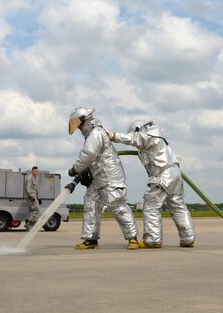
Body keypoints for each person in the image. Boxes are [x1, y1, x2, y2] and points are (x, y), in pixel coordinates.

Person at [109, 120, 195, 248]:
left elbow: (134, 138)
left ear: (139, 130)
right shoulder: (156, 137)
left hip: (161, 175)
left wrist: (113, 136)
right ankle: (188, 238)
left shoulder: (150, 135)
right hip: (174, 174)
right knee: (178, 207)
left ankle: (153, 239)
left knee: (150, 206)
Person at [67, 106, 139, 250]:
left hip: (111, 177)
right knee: (90, 205)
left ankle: (133, 238)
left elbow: (88, 154)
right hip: (98, 178)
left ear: (84, 121)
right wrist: (85, 171)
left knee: (116, 205)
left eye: (78, 124)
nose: (78, 128)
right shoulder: (91, 134)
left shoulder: (96, 133)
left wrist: (75, 169)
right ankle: (91, 239)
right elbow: (93, 158)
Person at [24, 166, 41, 230]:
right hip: (31, 197)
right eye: (34, 171)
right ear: (32, 171)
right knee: (36, 210)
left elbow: (35, 189)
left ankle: (29, 226)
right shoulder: (30, 178)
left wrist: (38, 198)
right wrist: (32, 197)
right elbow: (28, 188)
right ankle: (29, 224)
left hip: (33, 196)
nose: (36, 172)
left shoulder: (35, 178)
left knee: (32, 211)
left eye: (37, 171)